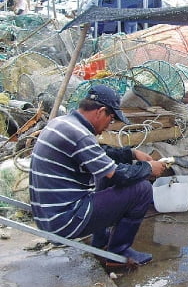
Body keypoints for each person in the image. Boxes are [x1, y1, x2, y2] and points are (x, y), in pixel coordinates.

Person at [29, 85, 167, 265]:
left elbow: (99, 153)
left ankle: (100, 240)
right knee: (142, 189)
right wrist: (149, 168)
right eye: (111, 120)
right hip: (63, 221)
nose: (108, 126)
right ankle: (119, 252)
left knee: (104, 173)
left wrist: (131, 154)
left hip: (48, 215)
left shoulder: (63, 123)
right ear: (101, 111)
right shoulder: (80, 135)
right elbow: (119, 176)